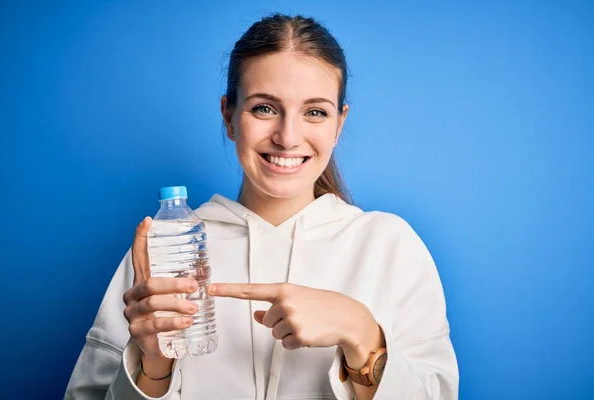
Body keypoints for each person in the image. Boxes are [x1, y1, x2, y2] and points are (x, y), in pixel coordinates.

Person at [65, 13, 459, 400]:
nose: (288, 137)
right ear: (229, 117)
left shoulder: (391, 245)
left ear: (339, 125)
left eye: (315, 112)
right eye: (264, 108)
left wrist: (362, 334)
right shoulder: (164, 248)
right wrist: (152, 367)